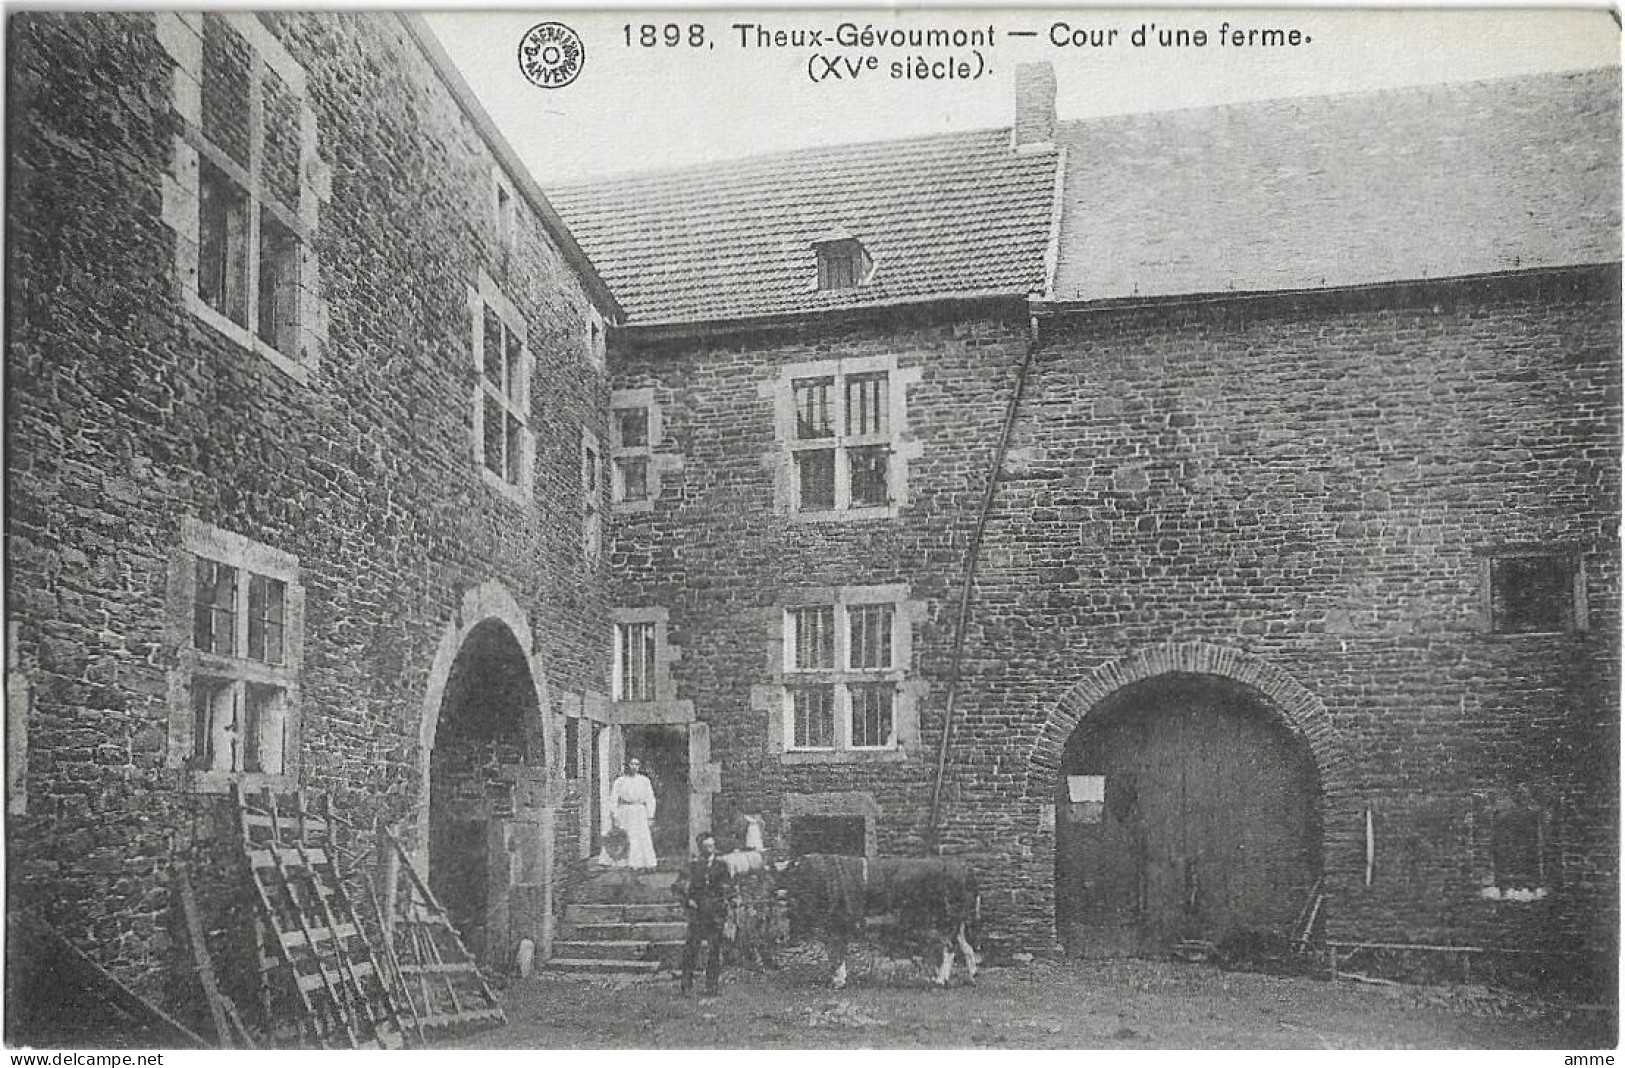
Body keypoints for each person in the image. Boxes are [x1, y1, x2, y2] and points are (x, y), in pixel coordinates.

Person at [678, 831, 732, 996]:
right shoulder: (693, 866)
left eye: (712, 846)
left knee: (714, 950)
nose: (710, 849)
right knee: (691, 950)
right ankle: (686, 985)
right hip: (698, 913)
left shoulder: (721, 866)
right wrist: (688, 900)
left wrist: (724, 899)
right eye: (707, 846)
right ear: (701, 848)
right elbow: (679, 887)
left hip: (715, 914)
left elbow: (727, 887)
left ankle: (712, 986)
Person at [607, 757, 658, 871]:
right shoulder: (620, 781)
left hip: (639, 812)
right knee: (626, 836)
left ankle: (639, 862)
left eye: (637, 764)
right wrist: (615, 815)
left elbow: (650, 798)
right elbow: (613, 798)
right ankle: (624, 862)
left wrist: (650, 815)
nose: (634, 767)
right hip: (625, 811)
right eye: (632, 764)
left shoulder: (644, 780)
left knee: (639, 836)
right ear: (627, 765)